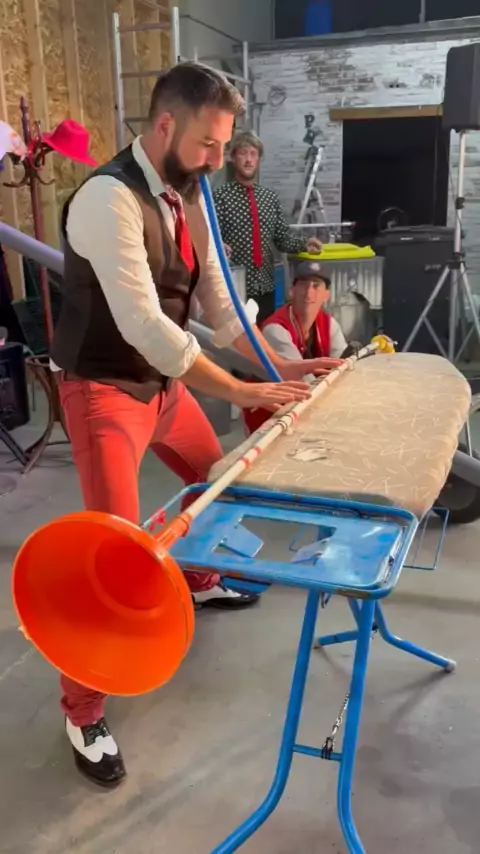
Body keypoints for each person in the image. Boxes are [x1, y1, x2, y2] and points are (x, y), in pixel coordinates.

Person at [49, 63, 343, 788]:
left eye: (225, 146)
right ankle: (82, 710)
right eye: (210, 144)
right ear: (165, 126)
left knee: (218, 482)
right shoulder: (106, 199)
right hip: (106, 390)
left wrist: (282, 365)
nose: (219, 159)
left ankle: (201, 578)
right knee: (116, 555)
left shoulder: (191, 194)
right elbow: (150, 330)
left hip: (163, 389)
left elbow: (220, 305)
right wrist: (242, 388)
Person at [213, 130, 322, 323]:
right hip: (233, 289)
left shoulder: (269, 198)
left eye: (253, 154)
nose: (248, 160)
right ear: (233, 157)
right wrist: (219, 246)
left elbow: (282, 239)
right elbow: (210, 239)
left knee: (265, 336)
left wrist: (305, 244)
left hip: (266, 288)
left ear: (259, 159)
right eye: (243, 153)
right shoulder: (220, 197)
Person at [243, 260, 353, 435]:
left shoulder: (329, 323)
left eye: (316, 286)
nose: (309, 292)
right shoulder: (276, 329)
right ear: (291, 291)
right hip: (270, 414)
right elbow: (304, 385)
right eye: (303, 284)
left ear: (327, 295)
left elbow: (343, 368)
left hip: (304, 407)